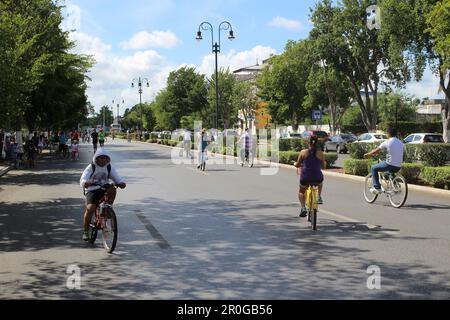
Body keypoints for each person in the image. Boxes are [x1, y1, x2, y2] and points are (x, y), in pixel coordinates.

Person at [79, 149, 127, 241]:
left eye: (105, 158)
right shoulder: (91, 167)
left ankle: (108, 207)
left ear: (108, 159)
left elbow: (117, 178)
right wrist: (85, 183)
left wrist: (121, 183)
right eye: (100, 158)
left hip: (104, 188)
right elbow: (83, 179)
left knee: (112, 188)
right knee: (90, 209)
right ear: (96, 158)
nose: (102, 160)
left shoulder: (109, 167)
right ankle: (85, 231)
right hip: (92, 190)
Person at [364, 127, 404, 195]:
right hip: (398, 165)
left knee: (374, 168)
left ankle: (377, 188)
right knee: (390, 172)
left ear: (388, 134)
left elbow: (376, 150)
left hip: (389, 164)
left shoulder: (387, 142)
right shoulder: (401, 143)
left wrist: (368, 154)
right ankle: (395, 186)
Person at [294, 136, 326, 218]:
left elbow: (297, 164)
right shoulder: (320, 153)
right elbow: (323, 167)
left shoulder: (303, 152)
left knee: (301, 191)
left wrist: (295, 164)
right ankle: (318, 196)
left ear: (309, 143)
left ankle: (303, 207)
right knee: (320, 182)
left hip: (305, 177)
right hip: (317, 177)